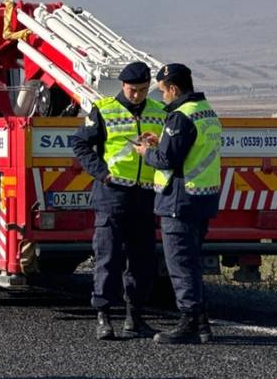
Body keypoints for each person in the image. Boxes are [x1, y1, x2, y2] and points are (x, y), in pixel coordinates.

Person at [70, 61, 166, 340]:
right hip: (112, 194)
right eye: (133, 90)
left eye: (143, 90)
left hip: (145, 194)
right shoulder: (105, 109)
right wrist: (102, 174)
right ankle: (103, 316)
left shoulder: (159, 112)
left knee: (142, 260)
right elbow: (81, 144)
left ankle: (134, 317)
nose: (137, 95)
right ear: (123, 85)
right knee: (108, 257)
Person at [134, 63, 222, 344]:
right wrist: (161, 143)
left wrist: (146, 152)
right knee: (193, 261)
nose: (162, 98)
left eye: (162, 92)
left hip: (179, 200)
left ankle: (188, 323)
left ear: (173, 88)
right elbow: (190, 151)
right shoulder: (206, 112)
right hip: (203, 197)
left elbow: (167, 160)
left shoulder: (180, 118)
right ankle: (203, 323)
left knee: (180, 263)